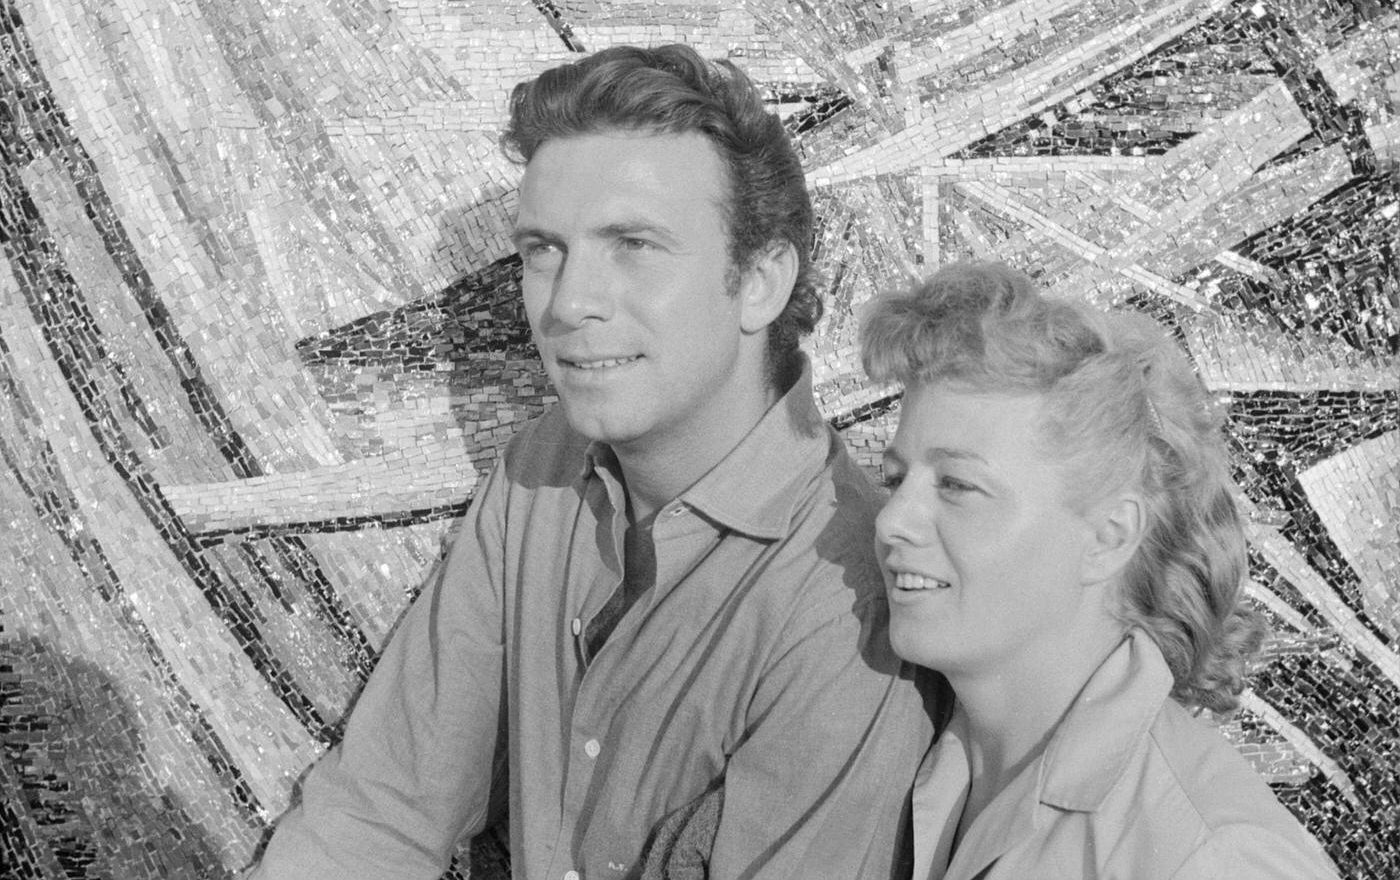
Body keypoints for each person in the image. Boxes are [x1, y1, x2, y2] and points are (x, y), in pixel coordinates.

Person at [247, 43, 930, 880]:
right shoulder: (545, 466)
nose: (568, 304)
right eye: (543, 250)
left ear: (759, 280)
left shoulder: (847, 602)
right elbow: (381, 810)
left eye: (633, 244)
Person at [860, 261, 1340, 880]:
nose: (892, 519)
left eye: (956, 485)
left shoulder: (1209, 856)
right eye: (895, 478)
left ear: (1109, 538)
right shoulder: (925, 762)